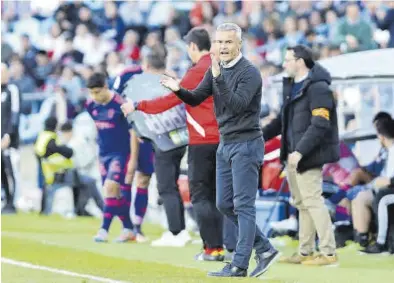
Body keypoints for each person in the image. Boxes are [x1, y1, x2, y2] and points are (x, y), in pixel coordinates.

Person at [159, 23, 279, 278]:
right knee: (224, 204)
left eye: (228, 42)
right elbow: (196, 97)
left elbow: (236, 105)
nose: (223, 47)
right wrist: (178, 89)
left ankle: (240, 264)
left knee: (243, 206)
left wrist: (218, 77)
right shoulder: (218, 71)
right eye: (220, 42)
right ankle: (264, 248)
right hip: (226, 144)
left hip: (246, 144)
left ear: (239, 45)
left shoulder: (249, 73)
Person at [121, 27, 226, 260]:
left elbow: (170, 100)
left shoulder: (198, 69)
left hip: (201, 140)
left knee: (200, 195)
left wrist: (138, 106)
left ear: (192, 47)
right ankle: (221, 245)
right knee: (217, 194)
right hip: (221, 137)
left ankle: (212, 249)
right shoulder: (219, 65)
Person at [263, 45, 339, 266]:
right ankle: (305, 251)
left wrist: (300, 151)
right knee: (302, 203)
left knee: (313, 201)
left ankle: (329, 252)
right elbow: (283, 121)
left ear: (300, 61)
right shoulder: (291, 86)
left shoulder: (318, 88)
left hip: (308, 154)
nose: (284, 64)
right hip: (292, 154)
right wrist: (260, 136)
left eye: (287, 60)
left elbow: (320, 123)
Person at [121, 52, 191, 247]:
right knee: (172, 185)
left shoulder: (143, 86)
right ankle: (180, 230)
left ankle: (176, 232)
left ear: (146, 65)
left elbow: (140, 117)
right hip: (183, 138)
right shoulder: (173, 80)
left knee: (166, 186)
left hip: (162, 141)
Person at [85, 72, 135, 243]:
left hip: (121, 154)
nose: (94, 96)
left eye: (97, 92)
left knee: (110, 186)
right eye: (92, 93)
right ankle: (128, 228)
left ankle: (103, 230)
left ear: (106, 87)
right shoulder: (91, 105)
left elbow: (133, 132)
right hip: (103, 154)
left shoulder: (120, 104)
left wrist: (133, 160)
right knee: (115, 194)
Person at [113, 66, 155, 242]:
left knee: (143, 179)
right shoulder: (126, 74)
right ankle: (127, 227)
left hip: (148, 134)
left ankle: (137, 227)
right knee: (127, 176)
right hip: (126, 132)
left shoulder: (160, 77)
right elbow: (114, 98)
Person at [361, 118, 394, 254]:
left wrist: (387, 182)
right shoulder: (389, 150)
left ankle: (381, 243)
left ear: (381, 136)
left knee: (383, 198)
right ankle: (364, 237)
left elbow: (390, 179)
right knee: (377, 194)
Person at [1, 63, 20, 214]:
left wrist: (8, 135)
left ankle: (13, 202)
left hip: (9, 140)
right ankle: (6, 201)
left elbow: (14, 114)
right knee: (2, 173)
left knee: (11, 171)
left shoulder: (12, 90)